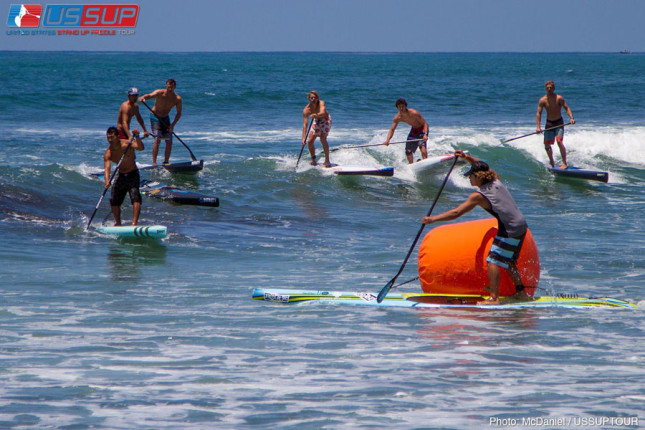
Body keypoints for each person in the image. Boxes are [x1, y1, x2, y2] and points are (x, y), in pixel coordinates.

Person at [421, 150, 531, 305]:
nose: (469, 179)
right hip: (521, 225)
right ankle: (521, 293)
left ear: (477, 176)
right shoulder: (495, 180)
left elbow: (457, 212)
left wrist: (433, 219)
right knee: (510, 261)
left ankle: (494, 298)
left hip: (509, 228)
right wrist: (466, 158)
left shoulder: (478, 196)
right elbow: (481, 165)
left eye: (470, 176)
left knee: (493, 260)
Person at [104, 126, 145, 226]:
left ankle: (134, 223)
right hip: (121, 175)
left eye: (112, 137)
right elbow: (107, 168)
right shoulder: (108, 152)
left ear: (118, 136)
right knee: (114, 200)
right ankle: (118, 223)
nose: (110, 140)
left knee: (135, 197)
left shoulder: (127, 144)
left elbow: (141, 148)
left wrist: (138, 137)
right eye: (108, 137)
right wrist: (107, 181)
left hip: (133, 173)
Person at [139, 78, 182, 165]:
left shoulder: (177, 99)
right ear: (166, 86)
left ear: (175, 87)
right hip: (155, 117)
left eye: (172, 87)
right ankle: (154, 163)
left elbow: (178, 113)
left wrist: (172, 125)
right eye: (169, 87)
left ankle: (166, 162)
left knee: (169, 141)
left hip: (165, 119)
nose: (170, 89)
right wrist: (143, 97)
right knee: (157, 139)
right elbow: (150, 95)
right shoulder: (159, 93)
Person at [536, 80, 575, 169]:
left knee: (559, 141)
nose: (549, 89)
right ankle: (552, 162)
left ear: (554, 88)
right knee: (547, 145)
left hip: (558, 123)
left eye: (551, 87)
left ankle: (564, 162)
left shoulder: (559, 98)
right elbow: (539, 113)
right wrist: (538, 127)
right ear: (545, 89)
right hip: (549, 124)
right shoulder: (543, 100)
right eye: (547, 88)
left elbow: (566, 108)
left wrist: (571, 118)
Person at [383, 98, 429, 164]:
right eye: (399, 107)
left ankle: (425, 162)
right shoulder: (397, 117)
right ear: (397, 108)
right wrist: (387, 140)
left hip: (422, 129)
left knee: (422, 148)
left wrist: (425, 134)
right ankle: (411, 165)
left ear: (405, 106)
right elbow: (392, 129)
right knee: (408, 150)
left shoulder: (414, 113)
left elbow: (425, 123)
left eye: (403, 106)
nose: (401, 108)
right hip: (414, 130)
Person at [302, 90, 332, 168]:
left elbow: (323, 112)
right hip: (316, 121)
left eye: (315, 98)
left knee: (323, 138)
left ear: (317, 98)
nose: (313, 99)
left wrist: (315, 114)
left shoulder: (321, 103)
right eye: (311, 98)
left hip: (325, 120)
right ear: (309, 99)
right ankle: (313, 160)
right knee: (310, 140)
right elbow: (305, 125)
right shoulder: (306, 110)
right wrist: (303, 138)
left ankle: (327, 161)